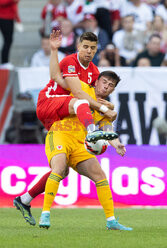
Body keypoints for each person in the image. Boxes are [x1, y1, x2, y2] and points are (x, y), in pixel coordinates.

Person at [14, 72, 133, 231]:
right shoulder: (81, 88)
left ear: (112, 90)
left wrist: (116, 143)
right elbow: (63, 90)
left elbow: (106, 129)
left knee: (100, 176)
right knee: (59, 169)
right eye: (104, 82)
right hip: (60, 134)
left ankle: (111, 221)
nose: (106, 87)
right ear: (96, 82)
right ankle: (45, 214)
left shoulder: (105, 108)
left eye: (111, 86)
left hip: (80, 143)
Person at [36, 30, 117, 142]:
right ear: (78, 47)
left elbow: (95, 98)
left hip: (65, 111)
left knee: (88, 107)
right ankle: (92, 133)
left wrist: (109, 106)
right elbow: (78, 92)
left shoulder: (94, 71)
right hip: (48, 102)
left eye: (93, 48)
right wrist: (105, 109)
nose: (89, 51)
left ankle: (110, 141)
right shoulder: (71, 61)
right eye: (86, 46)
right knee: (81, 101)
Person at [0, 0, 20, 64]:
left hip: (9, 18)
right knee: (8, 40)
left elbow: (14, 6)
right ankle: (4, 62)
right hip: (3, 17)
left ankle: (5, 62)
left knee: (8, 40)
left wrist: (17, 19)